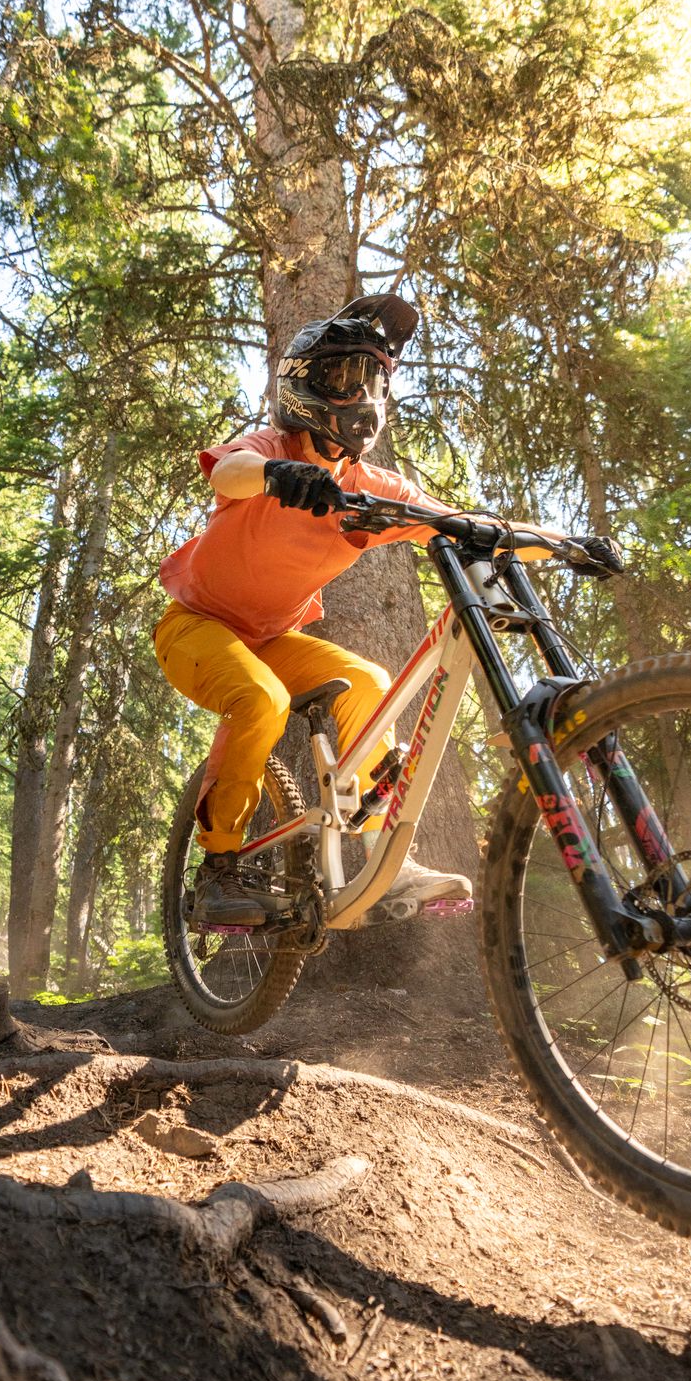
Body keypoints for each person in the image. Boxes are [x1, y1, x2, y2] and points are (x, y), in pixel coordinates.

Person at [154, 292, 476, 928]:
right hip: (195, 628)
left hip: (272, 639)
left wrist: (562, 544)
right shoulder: (271, 446)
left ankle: (385, 862)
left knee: (371, 684)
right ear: (305, 385)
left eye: (374, 382)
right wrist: (278, 474)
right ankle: (217, 870)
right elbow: (229, 472)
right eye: (346, 378)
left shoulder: (369, 487)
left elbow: (460, 521)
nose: (363, 397)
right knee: (261, 700)